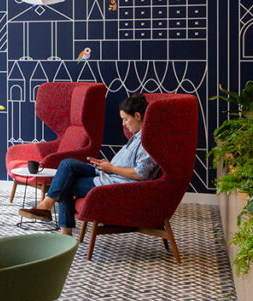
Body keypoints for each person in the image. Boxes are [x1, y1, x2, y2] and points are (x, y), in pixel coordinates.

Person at [19, 94, 160, 234]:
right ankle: (46, 208)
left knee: (65, 184)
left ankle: (60, 227)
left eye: (125, 119)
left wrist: (112, 168)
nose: (123, 124)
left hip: (116, 182)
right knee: (67, 164)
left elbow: (141, 173)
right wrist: (107, 165)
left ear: (137, 116)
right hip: (109, 173)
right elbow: (128, 163)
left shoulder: (146, 141)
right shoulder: (137, 136)